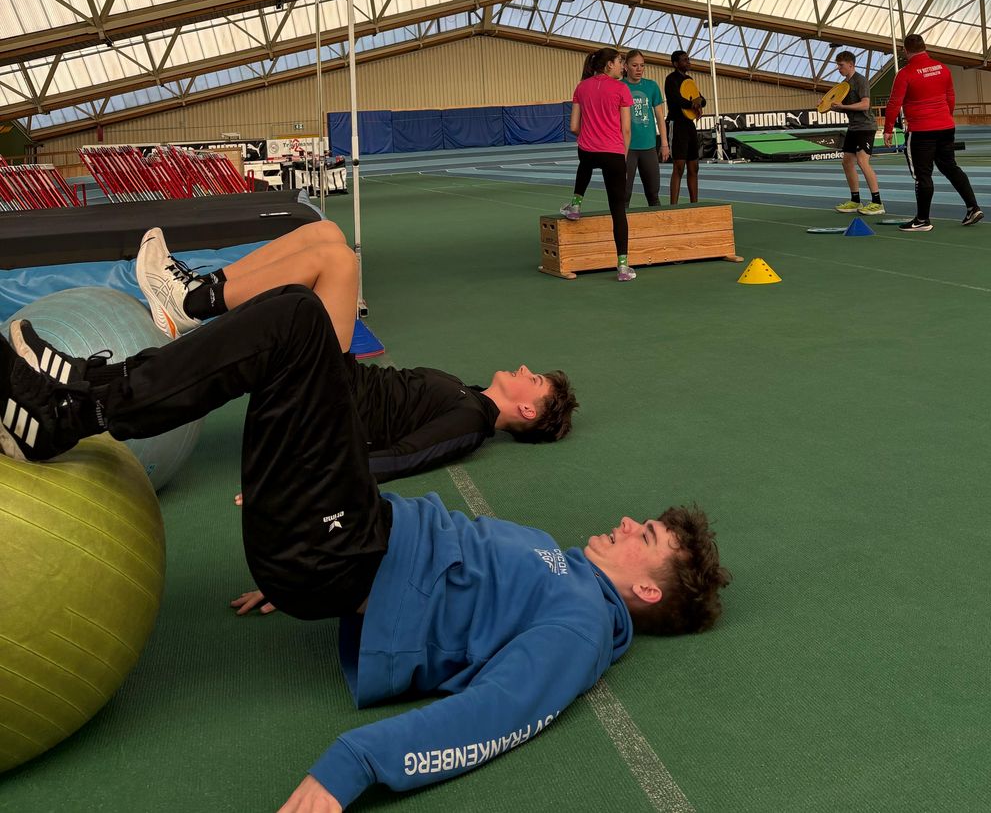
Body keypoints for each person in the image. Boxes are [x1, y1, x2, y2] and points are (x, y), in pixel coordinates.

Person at [1, 292, 729, 810]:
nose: (628, 522)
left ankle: (75, 408)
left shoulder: (580, 626)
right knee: (295, 319)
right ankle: (84, 396)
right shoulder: (555, 562)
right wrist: (296, 563)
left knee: (297, 320)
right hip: (337, 539)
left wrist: (352, 766)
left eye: (647, 537)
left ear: (649, 591)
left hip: (342, 552)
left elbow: (495, 714)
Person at [135, 221, 577, 478]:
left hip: (328, 395)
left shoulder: (471, 423)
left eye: (534, 379)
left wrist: (306, 479)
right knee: (327, 232)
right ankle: (197, 292)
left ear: (528, 411)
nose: (524, 368)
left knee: (339, 260)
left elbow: (402, 458)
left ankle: (193, 302)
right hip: (336, 378)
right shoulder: (468, 394)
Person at [882, 34, 984, 233]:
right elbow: (950, 96)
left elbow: (894, 103)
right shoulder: (942, 68)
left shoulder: (905, 73)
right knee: (951, 167)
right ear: (925, 47)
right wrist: (945, 117)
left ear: (905, 50)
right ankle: (973, 207)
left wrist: (887, 130)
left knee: (922, 175)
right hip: (946, 126)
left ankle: (922, 220)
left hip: (921, 130)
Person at [561, 47, 637, 281]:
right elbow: (626, 129)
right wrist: (623, 158)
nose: (623, 66)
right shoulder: (621, 89)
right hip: (613, 153)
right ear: (609, 65)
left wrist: (590, 135)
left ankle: (575, 205)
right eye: (620, 61)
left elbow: (574, 126)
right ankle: (623, 267)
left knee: (584, 160)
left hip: (588, 151)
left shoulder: (581, 87)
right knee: (618, 210)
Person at [831, 51, 885, 216]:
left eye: (841, 65)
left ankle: (877, 203)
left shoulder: (861, 80)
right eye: (838, 65)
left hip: (865, 127)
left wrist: (843, 107)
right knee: (846, 162)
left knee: (862, 161)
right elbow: (844, 107)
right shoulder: (843, 85)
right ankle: (855, 201)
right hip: (853, 128)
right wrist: (830, 106)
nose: (838, 68)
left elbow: (864, 105)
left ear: (851, 65)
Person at [623, 49, 669, 207]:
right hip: (626, 148)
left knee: (653, 194)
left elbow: (660, 117)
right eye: (634, 65)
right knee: (624, 194)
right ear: (625, 66)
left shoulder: (651, 86)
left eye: (642, 65)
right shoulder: (619, 86)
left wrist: (664, 143)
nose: (639, 69)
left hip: (648, 146)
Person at [664, 50, 705, 206]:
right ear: (675, 63)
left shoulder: (689, 80)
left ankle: (694, 205)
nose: (688, 62)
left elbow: (702, 99)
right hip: (677, 124)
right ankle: (673, 206)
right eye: (684, 60)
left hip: (689, 125)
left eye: (688, 59)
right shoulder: (671, 79)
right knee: (679, 167)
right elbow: (676, 100)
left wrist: (698, 103)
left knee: (694, 167)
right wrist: (694, 104)